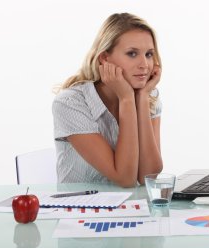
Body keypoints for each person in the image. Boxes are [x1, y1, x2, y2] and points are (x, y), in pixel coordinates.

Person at [52, 13, 163, 187]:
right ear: (105, 58)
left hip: (130, 209)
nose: (144, 64)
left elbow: (148, 176)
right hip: (81, 210)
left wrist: (141, 99)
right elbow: (125, 179)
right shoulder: (70, 103)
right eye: (132, 53)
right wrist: (126, 98)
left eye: (149, 54)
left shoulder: (149, 98)